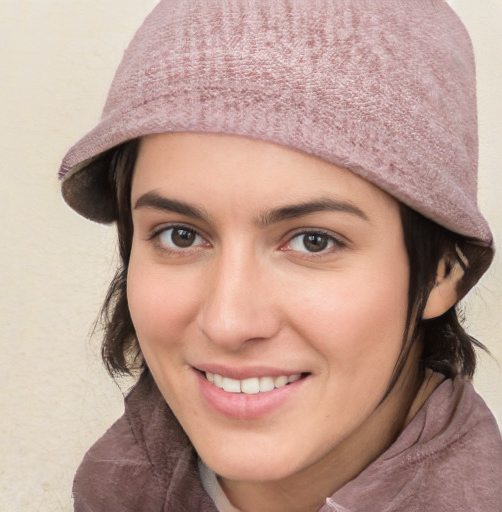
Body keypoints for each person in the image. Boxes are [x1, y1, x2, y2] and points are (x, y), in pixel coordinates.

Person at [58, 1, 502, 511]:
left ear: (445, 271)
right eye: (180, 235)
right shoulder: (107, 490)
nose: (228, 322)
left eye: (314, 241)